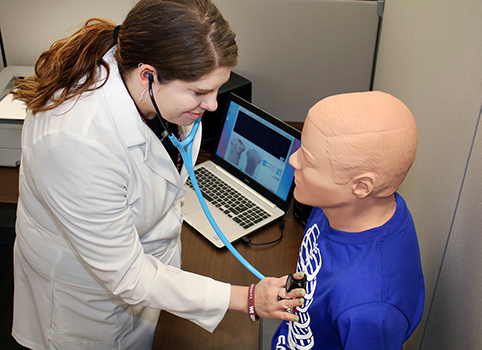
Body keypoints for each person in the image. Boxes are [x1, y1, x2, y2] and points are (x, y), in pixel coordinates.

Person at [10, 1, 304, 349]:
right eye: (199, 92)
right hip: (86, 300)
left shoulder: (148, 89)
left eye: (215, 89)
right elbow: (126, 274)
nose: (212, 105)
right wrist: (246, 299)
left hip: (148, 269)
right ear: (148, 74)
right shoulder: (75, 141)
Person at [272, 91, 425, 350]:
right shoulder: (340, 204)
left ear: (362, 186)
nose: (292, 159)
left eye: (307, 159)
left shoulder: (371, 309)